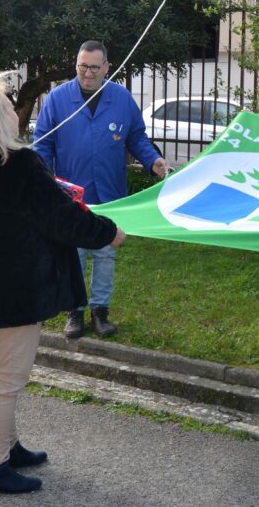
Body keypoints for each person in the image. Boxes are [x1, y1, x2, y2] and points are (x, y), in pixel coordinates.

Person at [0, 73, 125, 494]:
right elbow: (63, 218)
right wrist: (108, 232)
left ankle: (7, 445)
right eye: (5, 105)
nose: (16, 110)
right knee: (4, 382)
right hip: (11, 292)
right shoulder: (15, 166)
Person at [33, 41, 166, 339]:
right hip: (71, 197)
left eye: (94, 67)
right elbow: (42, 143)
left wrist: (152, 160)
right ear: (76, 64)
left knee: (105, 254)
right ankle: (75, 311)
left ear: (107, 67)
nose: (88, 73)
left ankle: (100, 311)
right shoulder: (57, 99)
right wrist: (45, 181)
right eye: (83, 66)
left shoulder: (120, 98)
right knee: (74, 255)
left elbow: (137, 137)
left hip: (110, 195)